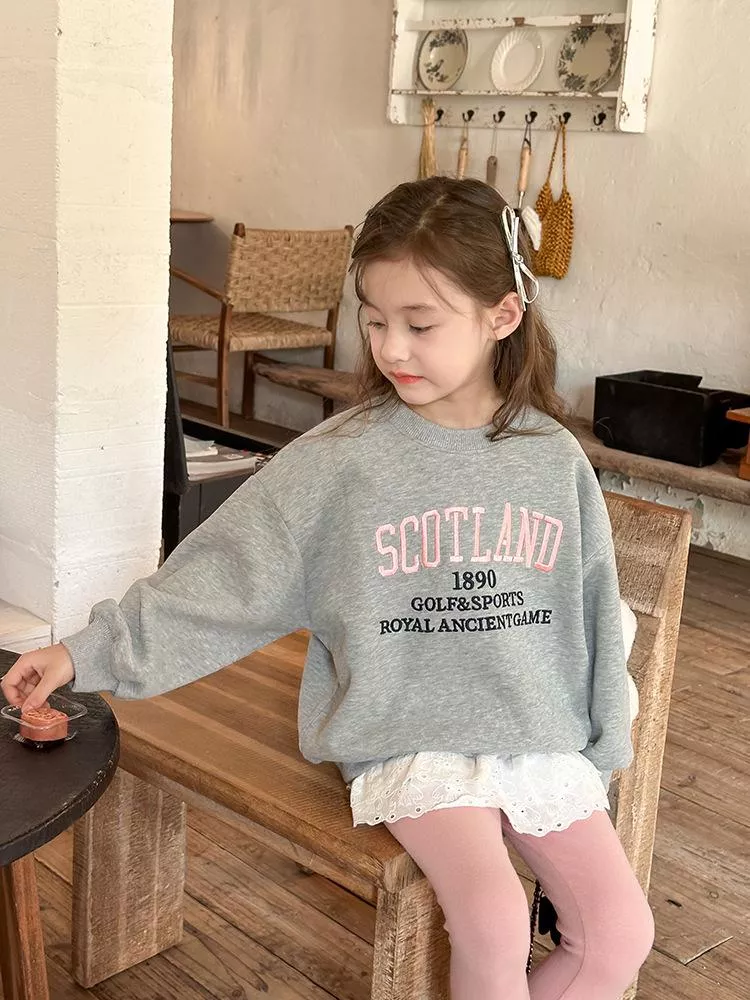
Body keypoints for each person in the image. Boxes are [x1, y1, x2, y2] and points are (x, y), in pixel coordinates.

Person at [1, 177, 654, 999]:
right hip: (409, 737)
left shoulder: (553, 459)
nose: (391, 349)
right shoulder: (339, 461)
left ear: (502, 316)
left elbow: (593, 613)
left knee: (622, 934)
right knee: (491, 919)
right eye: (374, 321)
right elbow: (222, 578)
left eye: (420, 324)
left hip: (537, 734)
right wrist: (84, 651)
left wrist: (603, 752)